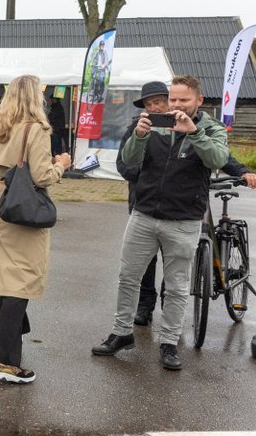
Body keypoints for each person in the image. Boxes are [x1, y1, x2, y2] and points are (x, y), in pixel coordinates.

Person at [92, 75, 229, 371]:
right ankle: (121, 333)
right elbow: (128, 162)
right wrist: (139, 136)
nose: (177, 105)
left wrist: (194, 133)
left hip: (184, 220)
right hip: (143, 215)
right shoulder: (155, 124)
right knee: (128, 277)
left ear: (198, 101)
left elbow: (217, 159)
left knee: (178, 286)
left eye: (183, 100)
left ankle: (168, 342)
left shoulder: (211, 128)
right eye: (174, 99)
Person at [116, 80, 256, 328]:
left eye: (160, 101)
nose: (158, 107)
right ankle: (144, 307)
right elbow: (125, 162)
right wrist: (147, 172)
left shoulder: (203, 127)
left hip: (182, 210)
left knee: (174, 274)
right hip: (144, 201)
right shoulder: (143, 126)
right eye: (151, 104)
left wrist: (243, 171)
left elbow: (220, 157)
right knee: (141, 266)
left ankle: (168, 324)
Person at [0, 75, 71, 384]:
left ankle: (12, 343)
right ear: (36, 98)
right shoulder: (37, 130)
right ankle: (4, 361)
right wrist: (62, 164)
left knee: (4, 272)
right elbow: (43, 176)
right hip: (20, 201)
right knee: (18, 280)